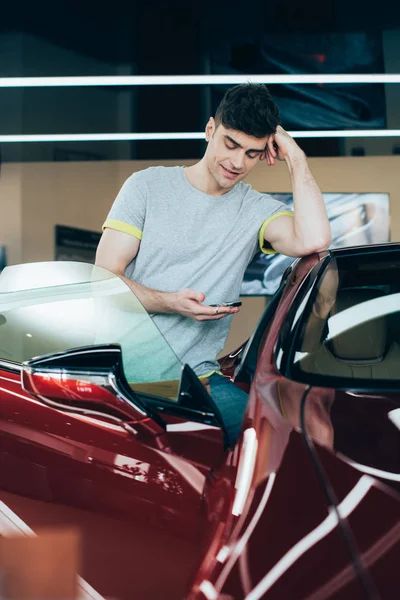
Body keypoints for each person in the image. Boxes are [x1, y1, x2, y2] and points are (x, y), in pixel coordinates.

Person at [95, 83, 332, 446]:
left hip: (198, 379)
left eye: (253, 153)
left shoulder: (257, 210)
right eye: (230, 144)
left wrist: (296, 157)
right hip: (122, 376)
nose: (238, 163)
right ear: (210, 130)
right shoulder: (146, 186)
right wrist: (170, 302)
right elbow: (105, 278)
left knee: (269, 442)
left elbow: (314, 241)